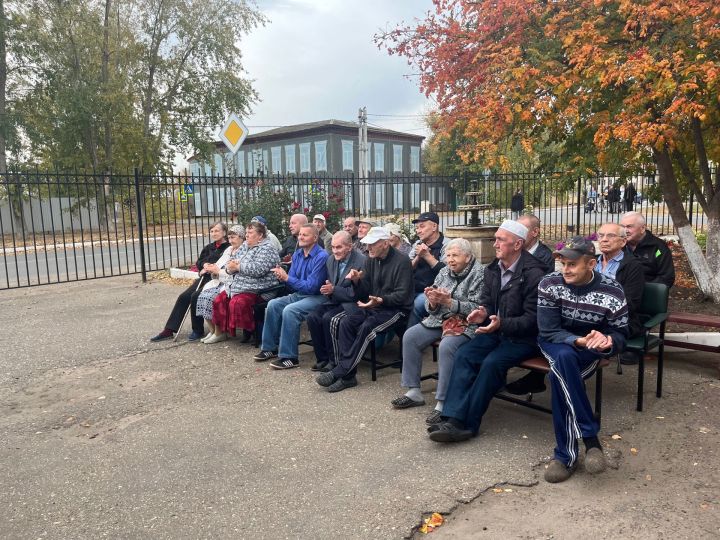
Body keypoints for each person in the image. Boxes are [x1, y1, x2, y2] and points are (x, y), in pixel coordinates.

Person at [427, 220, 546, 443]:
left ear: (518, 244)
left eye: (501, 239)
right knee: (465, 354)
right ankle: (451, 417)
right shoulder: (494, 269)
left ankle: (468, 424)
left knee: (492, 363)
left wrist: (500, 323)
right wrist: (482, 314)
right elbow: (487, 304)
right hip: (495, 331)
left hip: (523, 338)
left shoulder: (535, 273)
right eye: (495, 239)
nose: (495, 244)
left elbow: (534, 319)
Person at [507, 223, 644, 394]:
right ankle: (583, 421)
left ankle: (538, 382)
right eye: (601, 235)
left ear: (623, 242)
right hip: (566, 336)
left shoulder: (628, 271)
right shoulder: (557, 279)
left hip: (600, 330)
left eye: (610, 236)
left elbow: (628, 307)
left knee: (562, 367)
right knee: (564, 359)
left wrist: (604, 334)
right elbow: (549, 328)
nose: (604, 240)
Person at [537, 236, 628, 483]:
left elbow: (622, 333)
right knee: (565, 356)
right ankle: (590, 439)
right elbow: (548, 331)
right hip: (556, 343)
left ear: (591, 264)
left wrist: (608, 340)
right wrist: (578, 340)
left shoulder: (612, 290)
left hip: (591, 349)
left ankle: (565, 457)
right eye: (563, 264)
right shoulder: (549, 283)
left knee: (559, 378)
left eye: (572, 264)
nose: (565, 270)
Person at [391, 238, 484, 424]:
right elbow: (429, 304)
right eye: (448, 255)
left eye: (455, 255)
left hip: (467, 323)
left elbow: (478, 307)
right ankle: (413, 391)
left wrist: (450, 303)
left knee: (447, 347)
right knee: (410, 336)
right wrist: (433, 301)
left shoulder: (479, 274)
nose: (450, 260)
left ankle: (442, 402)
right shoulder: (443, 271)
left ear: (468, 256)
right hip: (440, 319)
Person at [315, 227, 414, 392]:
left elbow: (403, 296)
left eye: (372, 244)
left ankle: (343, 371)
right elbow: (363, 292)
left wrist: (381, 300)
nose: (368, 248)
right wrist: (356, 281)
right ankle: (348, 376)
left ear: (385, 243)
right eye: (367, 245)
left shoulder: (402, 261)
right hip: (373, 305)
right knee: (346, 322)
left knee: (367, 326)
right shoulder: (370, 260)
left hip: (397, 310)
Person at [253, 224, 329, 369]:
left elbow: (312, 287)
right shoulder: (298, 254)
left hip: (318, 297)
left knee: (290, 310)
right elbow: (292, 283)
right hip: (300, 294)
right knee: (273, 304)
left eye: (305, 235)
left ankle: (289, 357)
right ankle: (270, 348)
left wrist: (288, 278)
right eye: (300, 234)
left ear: (315, 238)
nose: (300, 237)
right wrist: (282, 277)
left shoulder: (322, 256)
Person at [203, 221, 281, 344]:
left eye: (250, 233)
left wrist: (238, 267)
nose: (247, 235)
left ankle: (252, 330)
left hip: (259, 288)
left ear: (260, 235)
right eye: (246, 233)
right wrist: (230, 268)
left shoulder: (268, 248)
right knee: (219, 299)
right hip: (239, 286)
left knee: (238, 302)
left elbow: (258, 269)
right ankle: (221, 332)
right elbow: (231, 263)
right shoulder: (245, 245)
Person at [150, 222, 230, 342]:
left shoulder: (228, 247)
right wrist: (204, 265)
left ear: (224, 232)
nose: (214, 233)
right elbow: (199, 262)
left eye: (217, 231)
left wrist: (212, 268)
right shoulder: (209, 247)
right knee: (183, 297)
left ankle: (197, 330)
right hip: (204, 277)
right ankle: (169, 329)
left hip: (217, 279)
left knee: (195, 296)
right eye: (212, 231)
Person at [306, 231, 367, 372]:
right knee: (313, 317)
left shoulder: (361, 261)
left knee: (328, 318)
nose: (335, 251)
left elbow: (356, 293)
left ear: (350, 247)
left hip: (353, 303)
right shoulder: (331, 259)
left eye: (339, 247)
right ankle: (323, 358)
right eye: (333, 247)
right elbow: (332, 284)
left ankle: (335, 361)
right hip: (335, 300)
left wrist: (333, 290)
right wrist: (328, 289)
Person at [194, 224, 246, 342]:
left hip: (233, 283)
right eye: (230, 238)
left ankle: (220, 332)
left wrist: (218, 272)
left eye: (234, 237)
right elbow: (219, 264)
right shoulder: (229, 249)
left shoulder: (244, 250)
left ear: (242, 237)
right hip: (220, 281)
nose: (231, 240)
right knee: (202, 296)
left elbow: (235, 271)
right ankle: (212, 331)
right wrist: (212, 268)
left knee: (212, 298)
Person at [407, 212, 449, 328]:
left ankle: (410, 340)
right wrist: (418, 256)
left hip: (433, 290)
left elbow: (447, 273)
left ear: (434, 227)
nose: (418, 231)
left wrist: (427, 256)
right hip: (413, 288)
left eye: (422, 226)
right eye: (416, 228)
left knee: (416, 305)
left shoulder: (446, 244)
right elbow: (407, 268)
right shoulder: (418, 244)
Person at [620, 211, 675, 288]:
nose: (625, 231)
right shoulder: (618, 245)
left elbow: (666, 277)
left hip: (647, 293)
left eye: (629, 226)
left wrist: (640, 289)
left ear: (642, 228)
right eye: (622, 227)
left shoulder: (658, 247)